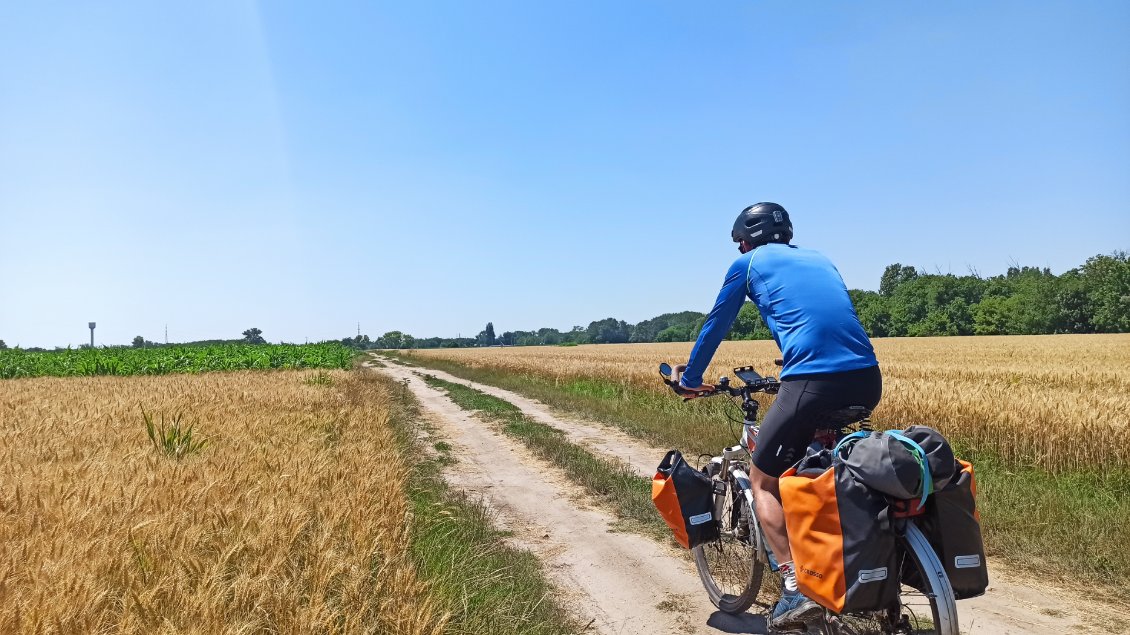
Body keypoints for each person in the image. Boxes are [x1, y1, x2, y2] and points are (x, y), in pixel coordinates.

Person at [677, 202, 882, 628]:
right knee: (822, 464)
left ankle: (794, 590)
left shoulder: (747, 265)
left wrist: (691, 377)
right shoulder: (820, 258)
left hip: (812, 382)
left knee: (763, 480)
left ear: (744, 241)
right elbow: (823, 319)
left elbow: (717, 323)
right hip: (866, 379)